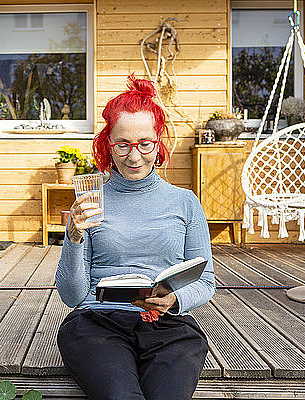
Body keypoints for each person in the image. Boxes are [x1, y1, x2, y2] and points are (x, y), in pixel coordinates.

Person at [55, 75, 215, 400]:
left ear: (158, 143)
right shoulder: (92, 201)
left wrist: (175, 300)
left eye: (145, 143)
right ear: (108, 145)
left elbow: (206, 280)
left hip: (168, 326)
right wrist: (72, 236)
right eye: (123, 144)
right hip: (97, 323)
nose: (134, 156)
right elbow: (72, 296)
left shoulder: (184, 202)